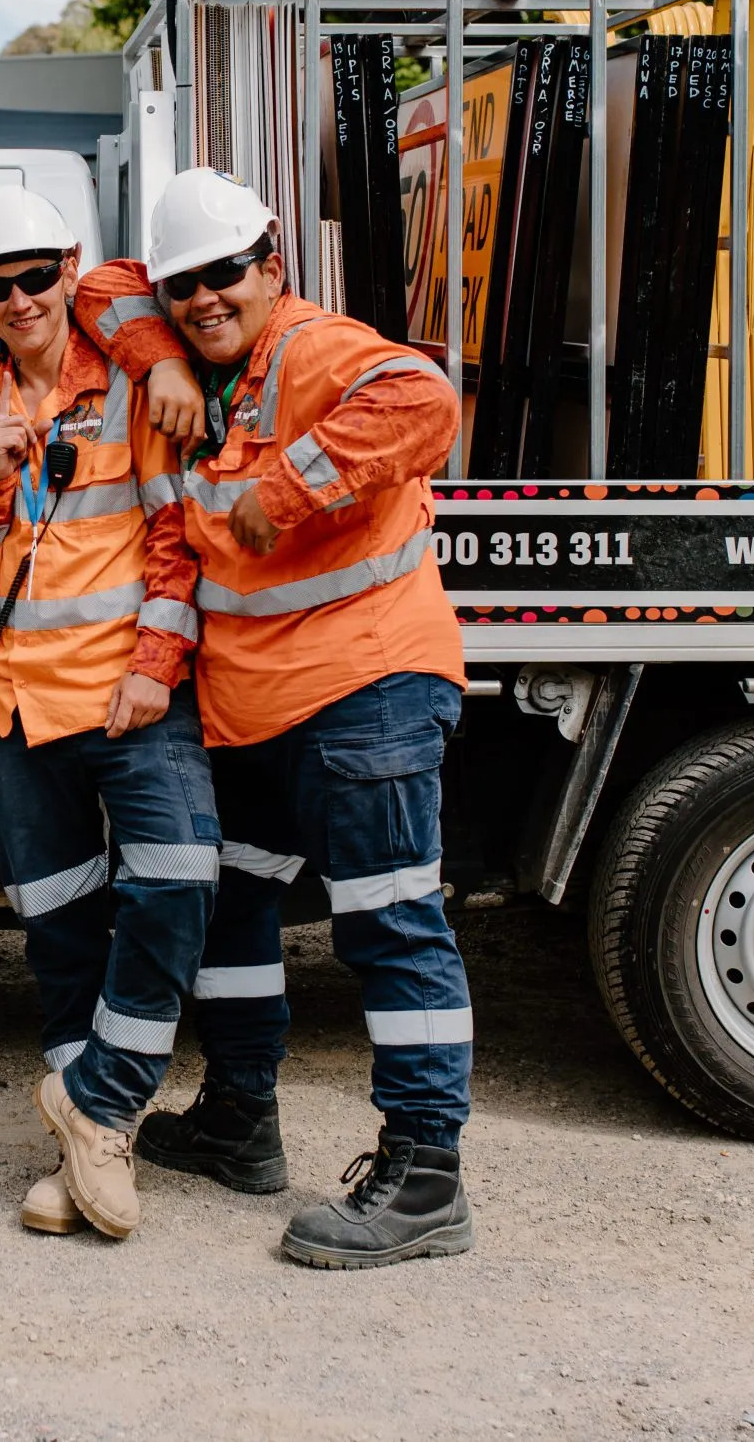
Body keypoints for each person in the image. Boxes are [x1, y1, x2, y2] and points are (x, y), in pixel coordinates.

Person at [74, 168, 475, 1269]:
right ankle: (239, 1118)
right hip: (252, 709)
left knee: (389, 922)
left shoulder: (313, 351)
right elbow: (97, 285)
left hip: (367, 686)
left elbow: (425, 401)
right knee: (234, 908)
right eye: (183, 284)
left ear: (272, 268)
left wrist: (286, 487)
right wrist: (156, 352)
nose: (204, 297)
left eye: (224, 275)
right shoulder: (185, 373)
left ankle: (426, 1174)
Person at [0, 185, 215, 1241]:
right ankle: (91, 1151)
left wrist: (154, 661)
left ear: (68, 267)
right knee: (58, 930)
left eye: (34, 276)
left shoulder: (138, 379)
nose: (18, 300)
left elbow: (178, 536)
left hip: (130, 693)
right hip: (12, 701)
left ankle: (96, 1102)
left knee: (179, 881)